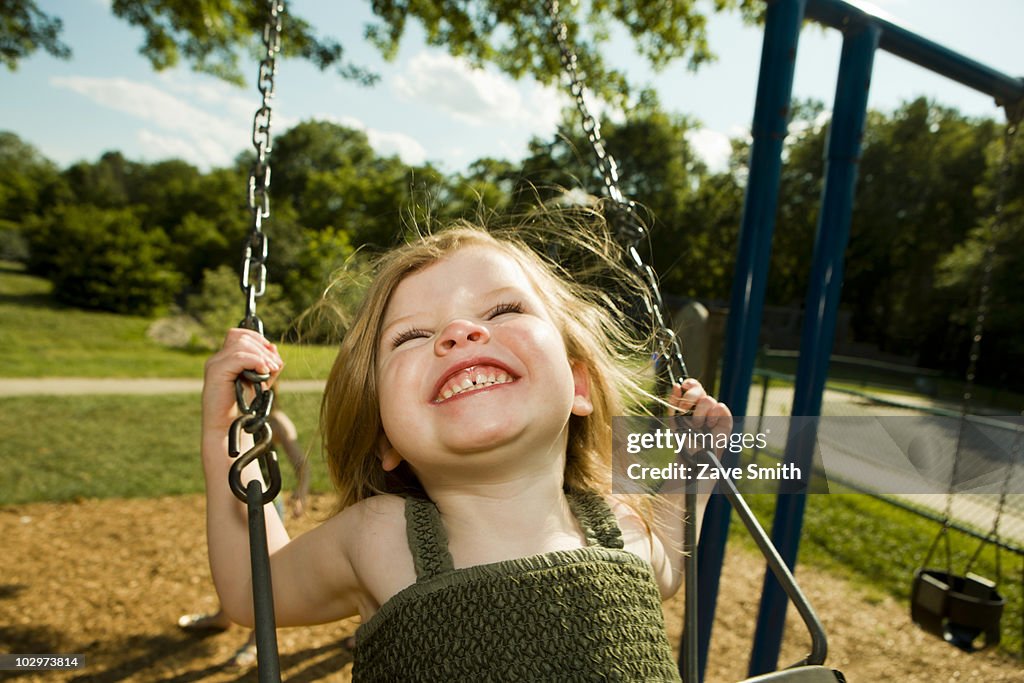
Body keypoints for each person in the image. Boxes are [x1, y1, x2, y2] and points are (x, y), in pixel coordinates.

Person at [200, 217, 731, 680]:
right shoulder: (380, 538)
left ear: (578, 386)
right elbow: (252, 589)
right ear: (384, 435)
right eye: (409, 337)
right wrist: (228, 428)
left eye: (502, 309)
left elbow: (666, 568)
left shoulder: (619, 525)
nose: (458, 332)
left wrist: (695, 470)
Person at [179, 404, 310, 668]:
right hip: (232, 500)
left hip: (264, 505)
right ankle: (223, 616)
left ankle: (256, 642)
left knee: (264, 572)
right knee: (230, 562)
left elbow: (300, 461)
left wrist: (302, 491)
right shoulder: (229, 418)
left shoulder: (275, 419)